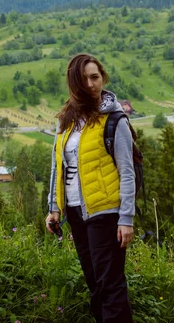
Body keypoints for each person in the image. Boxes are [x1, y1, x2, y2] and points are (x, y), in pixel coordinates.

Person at [46, 53, 135, 323]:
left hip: (106, 212)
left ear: (102, 78)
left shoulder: (114, 120)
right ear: (74, 83)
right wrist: (54, 208)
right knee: (95, 284)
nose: (91, 83)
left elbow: (127, 172)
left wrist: (126, 219)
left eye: (95, 77)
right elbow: (57, 167)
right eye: (84, 79)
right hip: (76, 213)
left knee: (110, 284)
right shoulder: (65, 122)